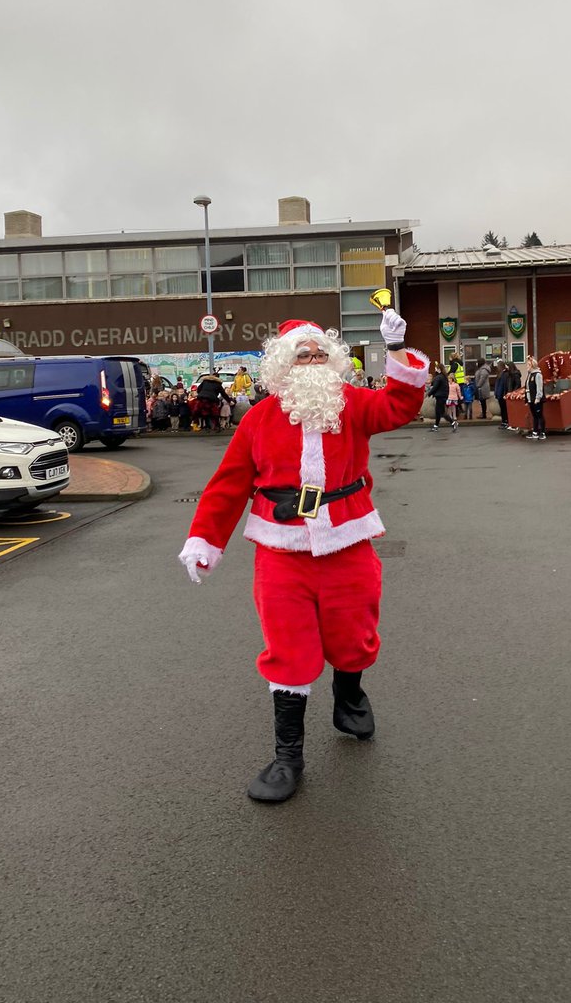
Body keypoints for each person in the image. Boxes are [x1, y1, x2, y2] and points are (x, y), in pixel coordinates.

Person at [178, 310, 429, 804]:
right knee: (288, 648)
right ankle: (288, 756)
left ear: (333, 361)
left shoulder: (353, 404)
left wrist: (397, 350)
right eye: (302, 354)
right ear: (281, 366)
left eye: (320, 354)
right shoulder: (257, 418)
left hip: (348, 541)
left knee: (354, 635)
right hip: (281, 550)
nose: (312, 361)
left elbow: (400, 405)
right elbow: (228, 486)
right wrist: (206, 539)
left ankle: (348, 695)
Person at [426, 364, 456, 431]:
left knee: (439, 412)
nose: (435, 370)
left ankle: (452, 423)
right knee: (441, 412)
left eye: (436, 368)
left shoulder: (439, 377)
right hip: (443, 396)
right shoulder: (443, 377)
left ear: (439, 369)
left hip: (440, 396)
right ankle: (451, 423)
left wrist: (429, 393)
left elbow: (435, 387)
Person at [524, 355, 546, 440]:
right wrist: (527, 399)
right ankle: (535, 431)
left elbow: (539, 387)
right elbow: (527, 388)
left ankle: (542, 432)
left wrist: (538, 398)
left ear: (532, 366)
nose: (527, 367)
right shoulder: (530, 375)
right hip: (531, 399)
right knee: (534, 416)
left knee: (539, 415)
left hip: (537, 399)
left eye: (528, 365)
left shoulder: (537, 375)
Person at [494, 362, 512, 429]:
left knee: (504, 409)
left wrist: (503, 394)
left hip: (502, 394)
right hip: (500, 394)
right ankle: (504, 421)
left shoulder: (505, 374)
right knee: (502, 409)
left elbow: (504, 386)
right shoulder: (501, 374)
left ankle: (505, 421)